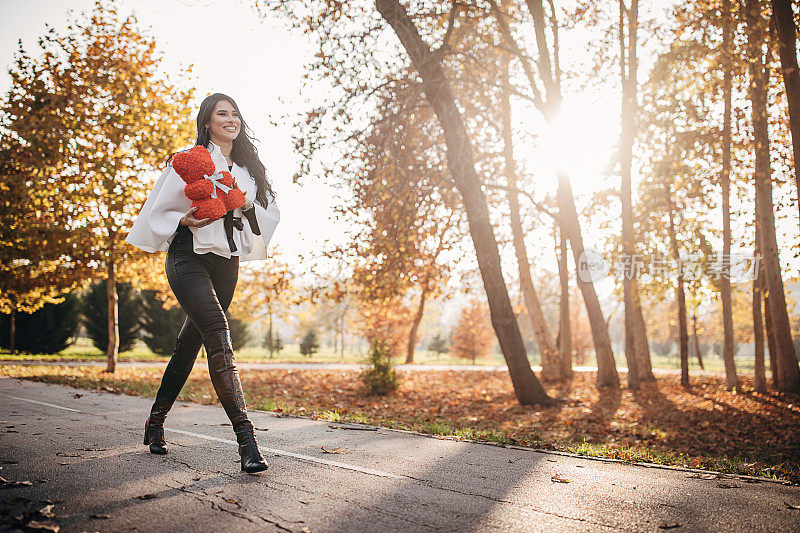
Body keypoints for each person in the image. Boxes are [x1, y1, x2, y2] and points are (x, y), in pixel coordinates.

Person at [126, 93, 280, 473]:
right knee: (218, 332)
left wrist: (244, 203)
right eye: (221, 114)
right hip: (187, 257)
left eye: (235, 113)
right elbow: (157, 208)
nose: (231, 119)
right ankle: (247, 441)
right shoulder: (190, 159)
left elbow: (270, 212)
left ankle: (155, 422)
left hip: (226, 263)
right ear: (207, 122)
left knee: (189, 344)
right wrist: (182, 221)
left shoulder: (249, 169)